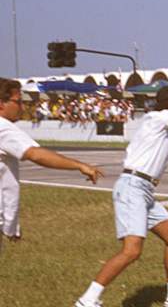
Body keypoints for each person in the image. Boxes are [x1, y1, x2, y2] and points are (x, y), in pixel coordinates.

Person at [75, 61, 168, 307]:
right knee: (132, 251)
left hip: (143, 189)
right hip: (133, 186)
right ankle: (87, 300)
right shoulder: (158, 118)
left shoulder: (164, 120)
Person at [0, 78, 103, 254]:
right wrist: (79, 165)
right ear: (2, 103)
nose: (22, 108)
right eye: (18, 102)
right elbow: (35, 154)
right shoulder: (3, 127)